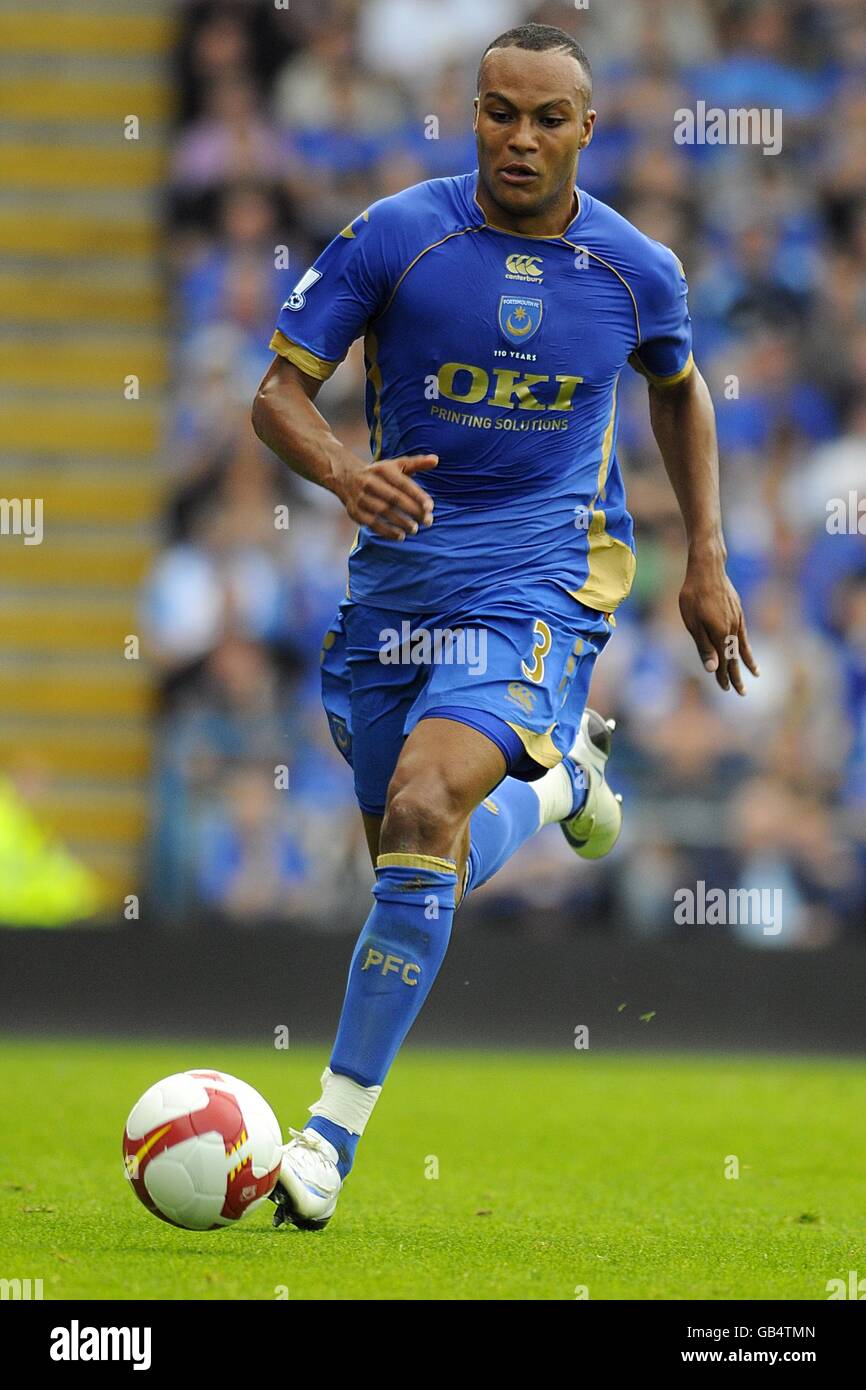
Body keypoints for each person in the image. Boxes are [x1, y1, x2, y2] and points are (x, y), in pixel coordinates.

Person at [251, 22, 757, 1231]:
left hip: (540, 582)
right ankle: (556, 784)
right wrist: (340, 474)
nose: (517, 138)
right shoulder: (397, 237)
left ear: (587, 128)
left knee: (427, 803)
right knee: (413, 861)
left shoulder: (637, 269)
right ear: (471, 112)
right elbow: (277, 395)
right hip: (396, 588)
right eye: (496, 112)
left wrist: (707, 558)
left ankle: (328, 1135)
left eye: (544, 119)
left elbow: (677, 389)